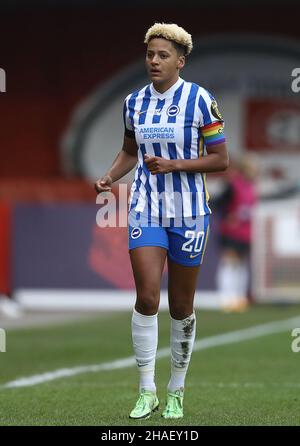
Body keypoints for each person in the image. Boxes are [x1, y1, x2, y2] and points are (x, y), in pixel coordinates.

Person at [95, 22, 229, 420]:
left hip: (189, 213)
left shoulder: (201, 100)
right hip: (146, 209)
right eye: (150, 54)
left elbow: (221, 160)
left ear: (180, 61)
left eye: (163, 55)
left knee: (181, 306)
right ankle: (146, 391)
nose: (154, 61)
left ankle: (176, 391)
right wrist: (109, 176)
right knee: (148, 298)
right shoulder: (134, 102)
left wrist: (175, 164)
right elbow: (128, 151)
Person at [213, 153, 258, 311]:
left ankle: (239, 298)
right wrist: (228, 216)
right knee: (229, 263)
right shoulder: (233, 185)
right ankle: (226, 298)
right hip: (232, 232)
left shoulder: (252, 185)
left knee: (242, 265)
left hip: (246, 232)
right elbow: (219, 203)